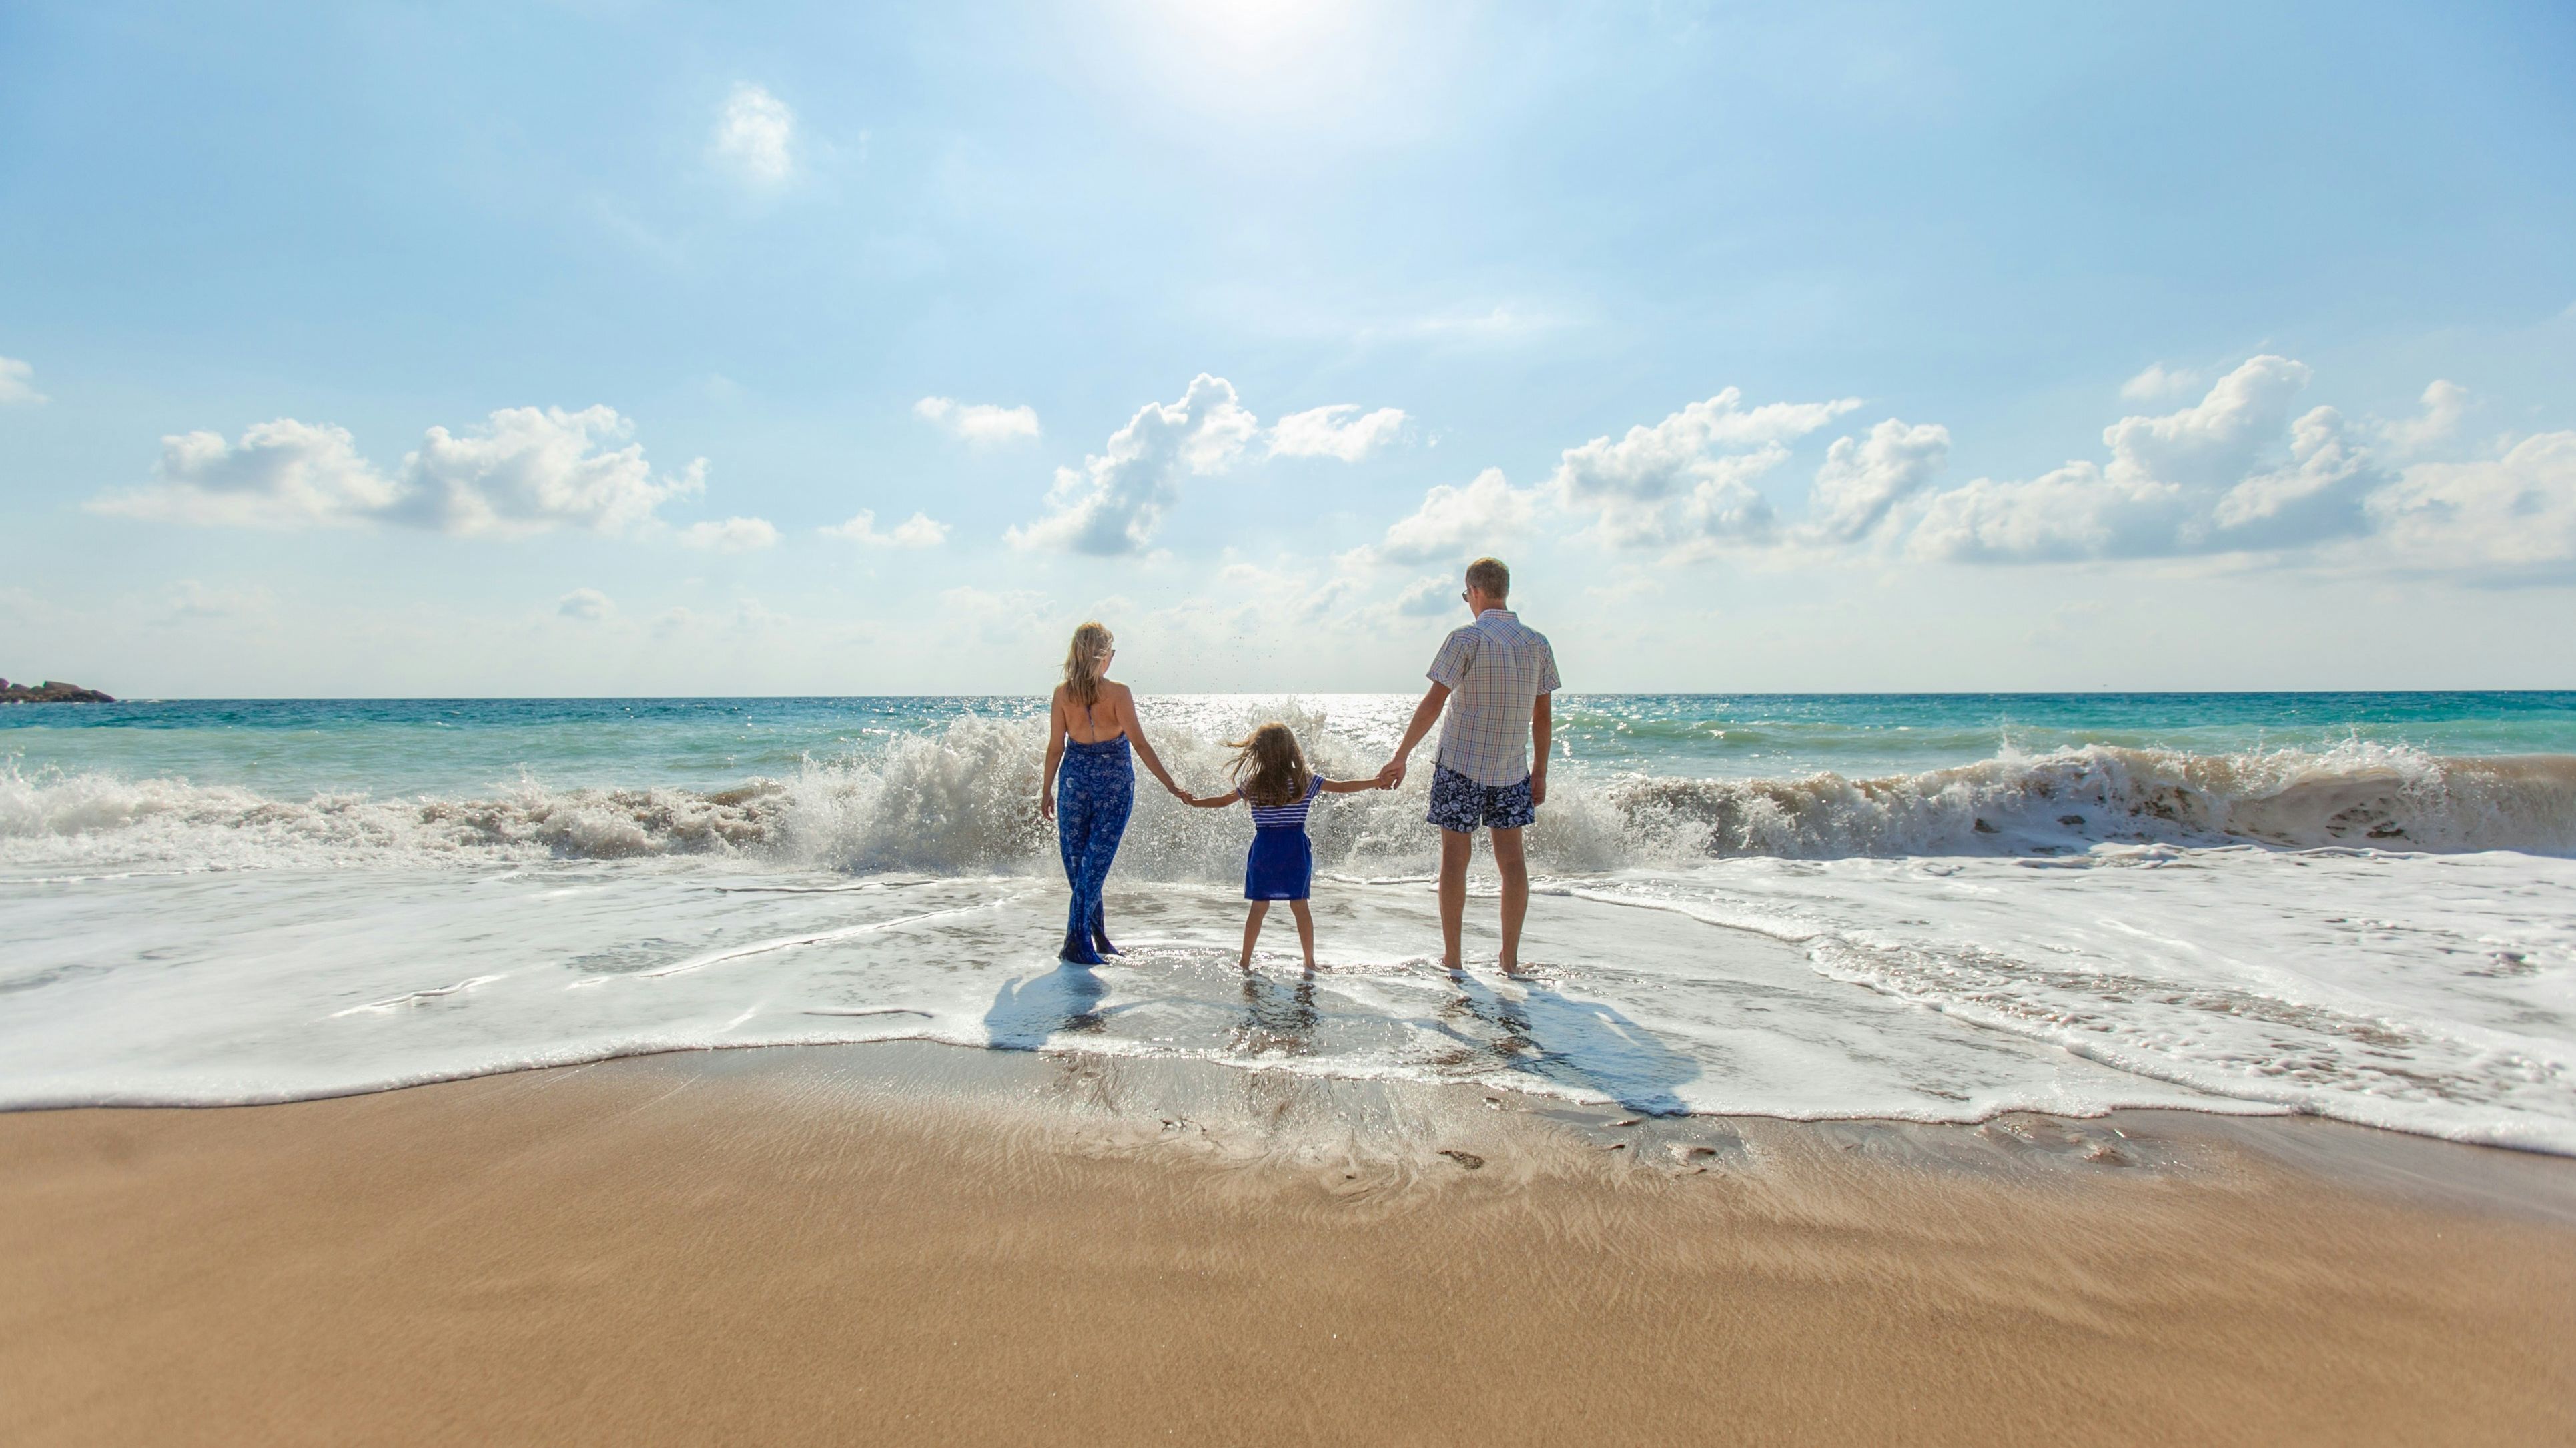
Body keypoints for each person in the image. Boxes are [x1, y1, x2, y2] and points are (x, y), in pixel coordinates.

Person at [1376, 557, 1559, 976]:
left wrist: (1401, 755)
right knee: (1512, 862)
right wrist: (1541, 772)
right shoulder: (1537, 643)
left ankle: (1454, 958)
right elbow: (1543, 718)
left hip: (1460, 765)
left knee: (1455, 860)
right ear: (1504, 590)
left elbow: (1433, 704)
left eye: (1466, 595)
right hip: (1513, 769)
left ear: (1474, 591)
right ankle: (1508, 959)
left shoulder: (1466, 639)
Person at [1039, 622, 1186, 965]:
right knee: (1091, 867)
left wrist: (1046, 789)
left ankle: (1096, 938)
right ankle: (1078, 942)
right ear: (1105, 656)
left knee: (1082, 867)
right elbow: (1139, 743)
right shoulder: (1118, 693)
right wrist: (1170, 784)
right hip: (1114, 785)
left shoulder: (1063, 694)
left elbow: (1055, 748)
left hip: (1074, 782)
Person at [1183, 722, 1384, 970]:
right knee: (1300, 906)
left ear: (1260, 752)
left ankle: (1245, 962)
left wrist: (1195, 803)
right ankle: (1310, 962)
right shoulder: (1304, 780)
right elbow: (1343, 787)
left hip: (1265, 849)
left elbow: (1224, 801)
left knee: (1259, 906)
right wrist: (1376, 781)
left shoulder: (1253, 783)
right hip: (1294, 849)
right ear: (1291, 749)